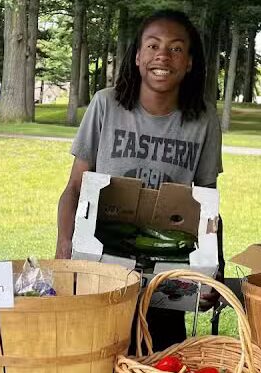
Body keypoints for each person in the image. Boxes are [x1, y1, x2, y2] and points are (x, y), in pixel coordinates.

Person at [56, 9, 223, 351]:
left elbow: (208, 202)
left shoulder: (203, 119)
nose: (163, 55)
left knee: (161, 363)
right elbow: (75, 187)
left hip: (167, 266)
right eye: (153, 45)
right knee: (98, 360)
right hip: (103, 255)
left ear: (190, 62)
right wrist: (64, 246)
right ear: (137, 56)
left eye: (177, 48)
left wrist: (211, 269)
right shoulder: (107, 105)